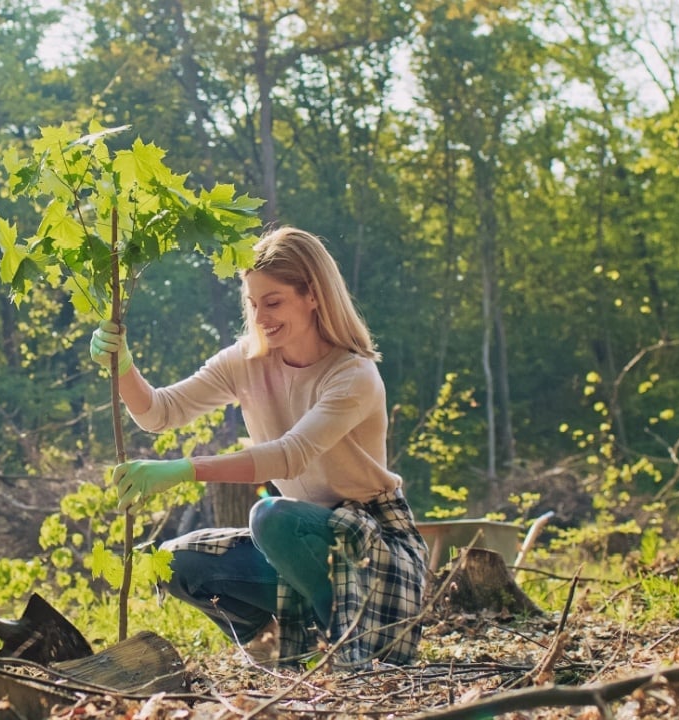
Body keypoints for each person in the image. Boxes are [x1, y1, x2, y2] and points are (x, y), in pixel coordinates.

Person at [89, 226, 428, 669]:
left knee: (271, 515)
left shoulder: (353, 375)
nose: (261, 316)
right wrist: (123, 367)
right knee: (174, 562)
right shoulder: (247, 360)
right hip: (294, 544)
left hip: (370, 552)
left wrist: (183, 470)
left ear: (313, 295)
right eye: (252, 304)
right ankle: (282, 645)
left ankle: (348, 648)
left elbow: (290, 454)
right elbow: (160, 412)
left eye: (273, 302)